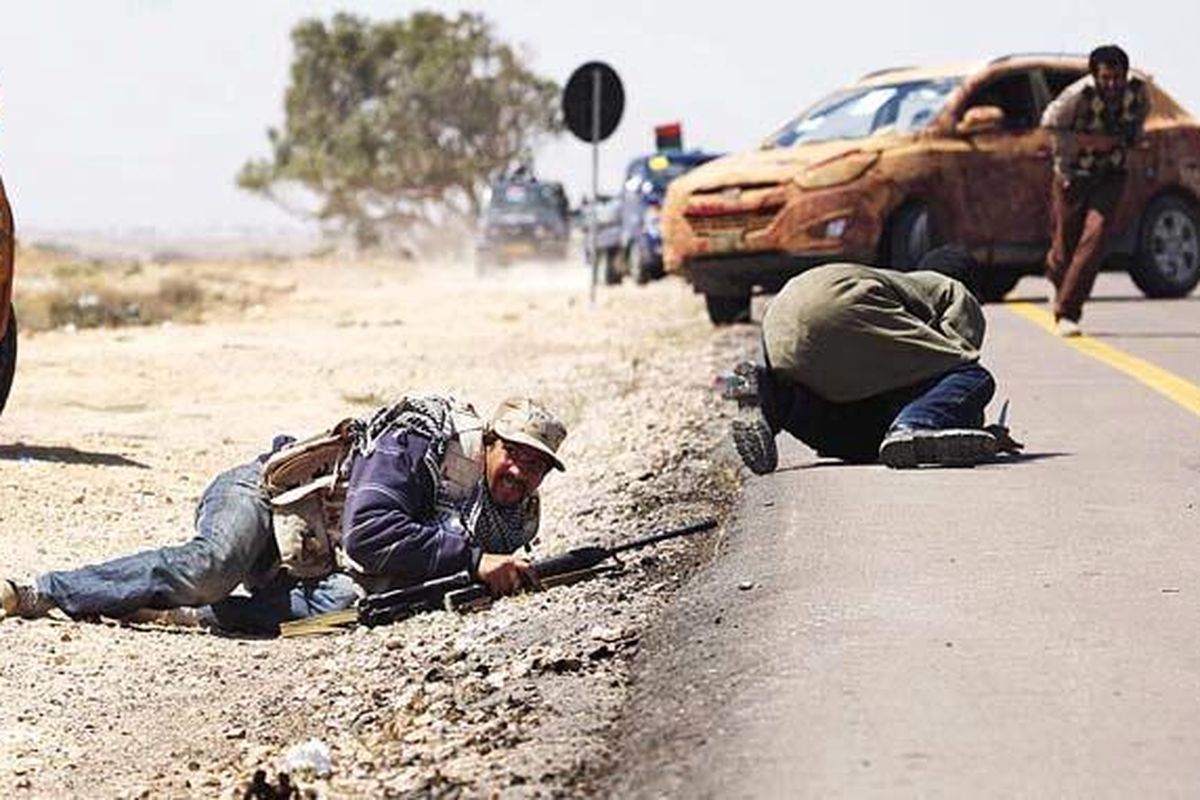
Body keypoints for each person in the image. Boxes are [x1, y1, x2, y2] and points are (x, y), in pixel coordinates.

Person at [0, 394, 567, 634]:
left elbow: (409, 573)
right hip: (263, 500)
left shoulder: (509, 520)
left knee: (352, 607)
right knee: (211, 569)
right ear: (489, 442)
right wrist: (475, 563)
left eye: (537, 466)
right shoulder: (421, 441)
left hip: (316, 561)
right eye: (515, 455)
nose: (521, 473)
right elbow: (371, 536)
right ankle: (41, 592)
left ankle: (202, 618)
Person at [728, 246, 1020, 473]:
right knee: (974, 378)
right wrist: (976, 426)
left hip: (780, 318)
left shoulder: (898, 285)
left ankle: (772, 395)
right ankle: (916, 425)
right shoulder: (953, 289)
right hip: (846, 305)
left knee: (861, 442)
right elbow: (956, 366)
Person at [1040, 44, 1150, 337]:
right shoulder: (1077, 96)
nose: (1112, 85)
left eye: (1117, 78)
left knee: (1096, 236)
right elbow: (1049, 124)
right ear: (1095, 76)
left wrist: (1131, 141)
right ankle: (1055, 275)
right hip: (1073, 174)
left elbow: (1139, 122)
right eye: (1106, 78)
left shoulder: (1138, 91)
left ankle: (1068, 311)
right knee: (1065, 243)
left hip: (1111, 174)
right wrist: (1086, 143)